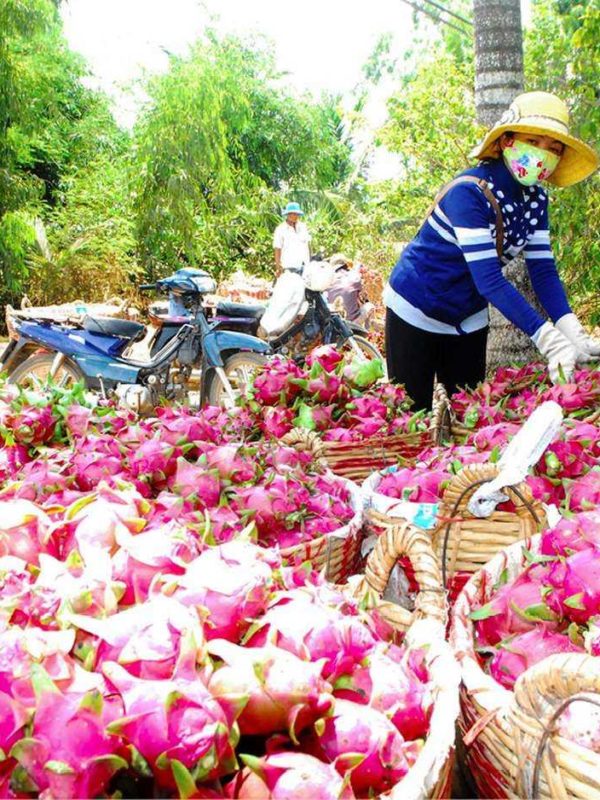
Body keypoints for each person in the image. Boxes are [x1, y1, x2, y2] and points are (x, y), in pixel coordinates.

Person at [384, 91, 600, 411]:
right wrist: (548, 340)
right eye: (534, 141)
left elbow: (542, 271)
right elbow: (489, 280)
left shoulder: (536, 201)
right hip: (416, 307)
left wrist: (571, 330)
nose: (543, 155)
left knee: (466, 414)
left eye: (554, 149)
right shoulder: (468, 192)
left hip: (468, 316)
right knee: (413, 415)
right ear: (505, 142)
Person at [273, 202, 311, 275]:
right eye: (293, 214)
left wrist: (310, 260)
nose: (295, 216)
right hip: (289, 266)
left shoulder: (303, 227)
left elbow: (308, 244)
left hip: (304, 265)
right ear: (288, 215)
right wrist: (278, 267)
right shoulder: (281, 229)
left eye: (297, 214)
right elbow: (277, 249)